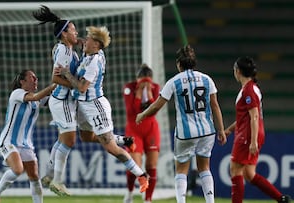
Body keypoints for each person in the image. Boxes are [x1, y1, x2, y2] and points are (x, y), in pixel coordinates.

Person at [32, 5, 134, 196]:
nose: (77, 32)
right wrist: (78, 85)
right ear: (64, 34)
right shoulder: (63, 50)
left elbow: (78, 49)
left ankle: (48, 175)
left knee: (65, 139)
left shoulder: (71, 50)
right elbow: (55, 78)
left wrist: (80, 42)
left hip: (68, 100)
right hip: (62, 100)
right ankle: (57, 181)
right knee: (69, 140)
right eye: (72, 29)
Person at [54, 25, 149, 194]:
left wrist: (66, 73)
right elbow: (83, 43)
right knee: (87, 137)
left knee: (111, 148)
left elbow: (82, 87)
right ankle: (125, 140)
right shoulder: (90, 52)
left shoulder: (94, 61)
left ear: (96, 45)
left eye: (89, 39)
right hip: (82, 106)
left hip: (95, 106)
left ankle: (141, 175)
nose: (85, 40)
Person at [136, 45, 227, 203]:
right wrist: (221, 130)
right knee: (204, 168)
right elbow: (215, 105)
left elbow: (158, 105)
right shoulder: (207, 79)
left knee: (181, 170)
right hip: (207, 131)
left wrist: (143, 114)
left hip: (186, 133)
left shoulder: (174, 81)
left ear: (179, 63)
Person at [224, 56, 291, 203]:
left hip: (248, 135)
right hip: (253, 132)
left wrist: (253, 141)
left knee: (235, 170)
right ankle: (281, 199)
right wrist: (229, 130)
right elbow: (246, 117)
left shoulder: (249, 91)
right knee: (249, 173)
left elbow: (254, 116)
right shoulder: (251, 88)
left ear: (238, 71)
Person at [0, 69, 56, 203]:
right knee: (18, 170)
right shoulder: (17, 94)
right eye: (32, 78)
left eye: (36, 77)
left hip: (26, 144)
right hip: (9, 141)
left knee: (34, 177)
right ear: (22, 81)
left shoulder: (37, 99)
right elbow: (36, 97)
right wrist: (55, 85)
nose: (36, 79)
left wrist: (64, 91)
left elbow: (52, 101)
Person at [122, 64, 161, 203]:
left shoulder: (156, 88)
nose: (145, 85)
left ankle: (148, 199)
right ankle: (129, 193)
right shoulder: (129, 88)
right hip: (134, 129)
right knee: (135, 166)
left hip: (151, 128)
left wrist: (149, 94)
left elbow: (154, 110)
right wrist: (138, 94)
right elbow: (132, 111)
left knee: (151, 166)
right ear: (137, 80)